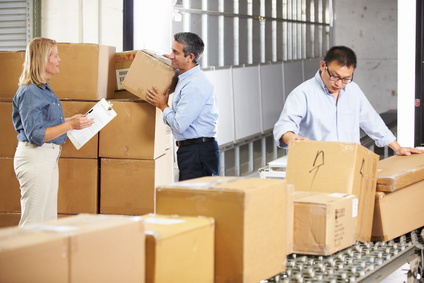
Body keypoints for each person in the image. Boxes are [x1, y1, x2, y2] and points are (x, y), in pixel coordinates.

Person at [273, 45, 423, 156]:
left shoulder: (353, 90)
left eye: (346, 79)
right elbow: (284, 127)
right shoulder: (302, 93)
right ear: (323, 65)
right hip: (317, 166)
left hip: (350, 164)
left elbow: (372, 122)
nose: (339, 83)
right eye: (335, 76)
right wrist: (294, 139)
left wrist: (398, 148)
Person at [12, 37, 94, 226]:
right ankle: (26, 256)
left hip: (47, 157)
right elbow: (36, 134)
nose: (60, 59)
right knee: (33, 223)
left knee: (47, 222)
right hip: (35, 157)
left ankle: (43, 256)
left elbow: (45, 123)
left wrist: (71, 121)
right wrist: (70, 126)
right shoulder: (29, 92)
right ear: (43, 59)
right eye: (55, 56)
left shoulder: (43, 89)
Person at [146, 32, 220, 181]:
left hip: (198, 153)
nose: (171, 55)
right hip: (192, 150)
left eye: (176, 52)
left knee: (196, 201)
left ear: (190, 57)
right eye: (172, 50)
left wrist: (163, 105)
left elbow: (179, 124)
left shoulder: (194, 84)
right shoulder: (186, 76)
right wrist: (166, 64)